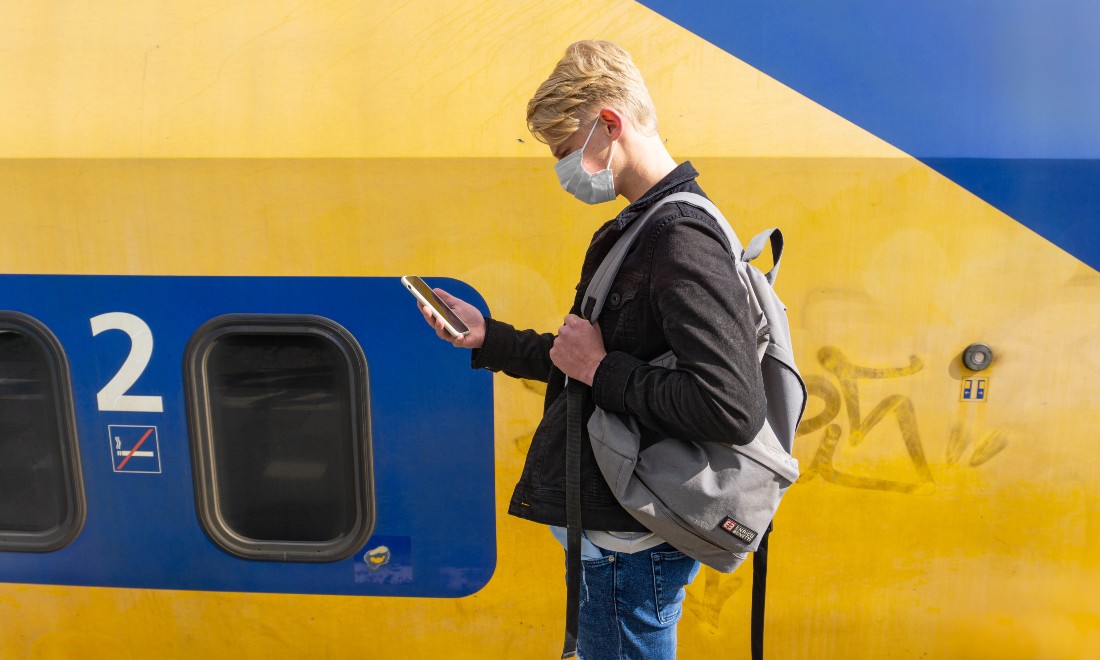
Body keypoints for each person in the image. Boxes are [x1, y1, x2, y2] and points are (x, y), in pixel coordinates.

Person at [416, 40, 766, 659]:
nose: (563, 170)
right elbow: (585, 358)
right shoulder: (641, 225)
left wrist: (603, 369)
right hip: (615, 543)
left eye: (563, 150)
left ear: (609, 124)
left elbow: (729, 406)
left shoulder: (681, 235)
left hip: (630, 553)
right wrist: (490, 338)